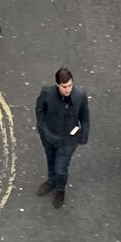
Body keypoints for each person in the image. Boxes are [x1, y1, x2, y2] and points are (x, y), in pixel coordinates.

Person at [35, 67, 90, 207]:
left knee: (61, 168)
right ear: (57, 84)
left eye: (70, 85)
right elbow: (39, 109)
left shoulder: (80, 96)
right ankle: (51, 180)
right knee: (50, 160)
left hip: (68, 140)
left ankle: (60, 189)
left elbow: (85, 118)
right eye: (64, 86)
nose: (68, 89)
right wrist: (42, 129)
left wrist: (83, 136)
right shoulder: (46, 93)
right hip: (50, 136)